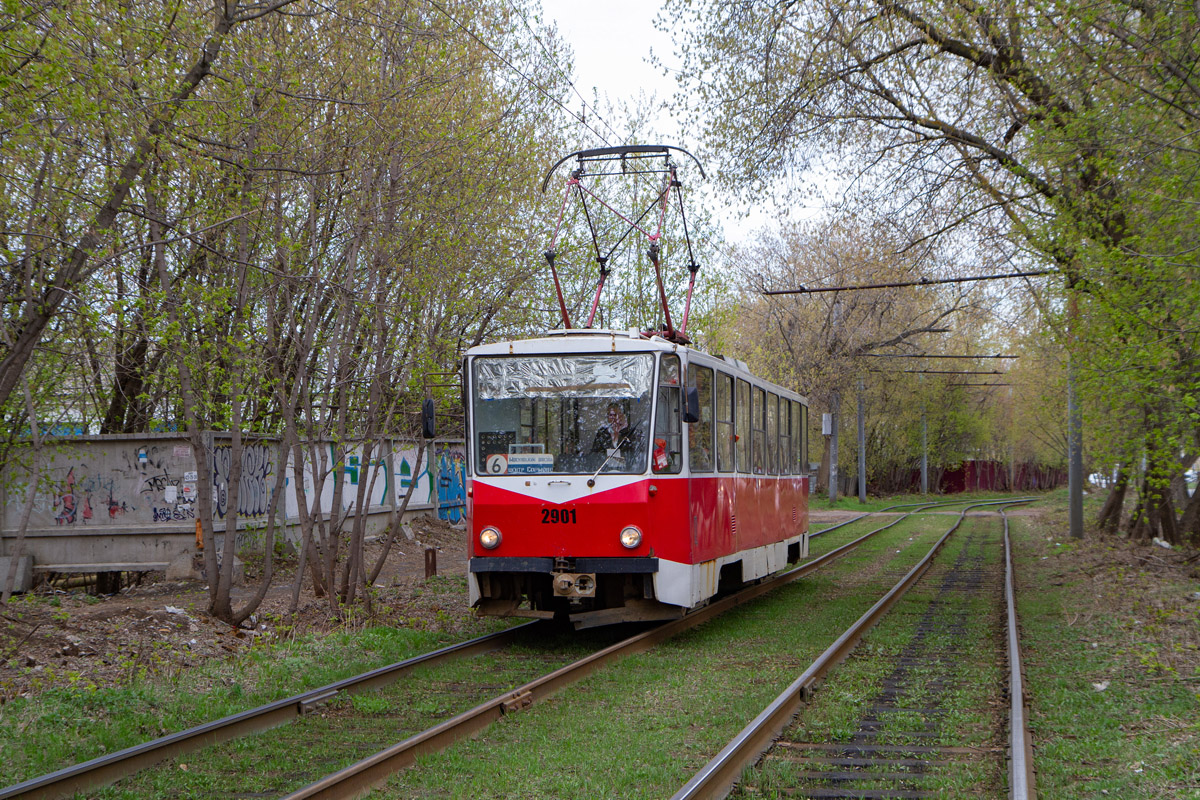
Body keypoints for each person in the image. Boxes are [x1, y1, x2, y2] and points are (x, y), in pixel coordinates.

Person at [591, 402, 643, 469]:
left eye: (618, 415)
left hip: (627, 474)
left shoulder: (632, 433)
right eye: (611, 415)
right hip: (604, 473)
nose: (616, 419)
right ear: (607, 417)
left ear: (623, 416)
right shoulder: (602, 434)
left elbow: (636, 457)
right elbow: (594, 456)